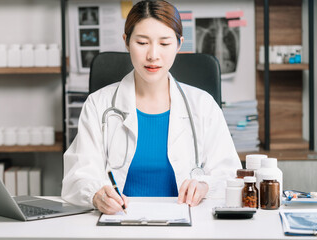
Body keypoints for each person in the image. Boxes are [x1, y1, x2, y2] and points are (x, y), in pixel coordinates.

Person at [62, 0, 241, 215]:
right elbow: (77, 176)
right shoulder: (98, 104)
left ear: (179, 44)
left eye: (164, 43)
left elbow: (230, 174)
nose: (153, 55)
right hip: (118, 222)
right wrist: (95, 195)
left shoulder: (203, 105)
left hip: (185, 224)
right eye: (142, 42)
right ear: (127, 42)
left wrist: (205, 186)